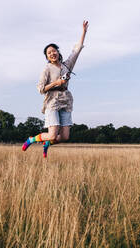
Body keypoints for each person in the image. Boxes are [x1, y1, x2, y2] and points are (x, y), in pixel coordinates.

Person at [22, 20, 89, 158]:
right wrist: (55, 83)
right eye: (49, 53)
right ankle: (31, 139)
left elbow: (77, 50)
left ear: (58, 52)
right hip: (52, 101)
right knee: (52, 134)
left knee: (64, 136)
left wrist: (83, 32)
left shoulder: (67, 65)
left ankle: (48, 144)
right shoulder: (47, 69)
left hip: (66, 100)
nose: (52, 53)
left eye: (54, 51)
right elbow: (40, 89)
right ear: (47, 57)